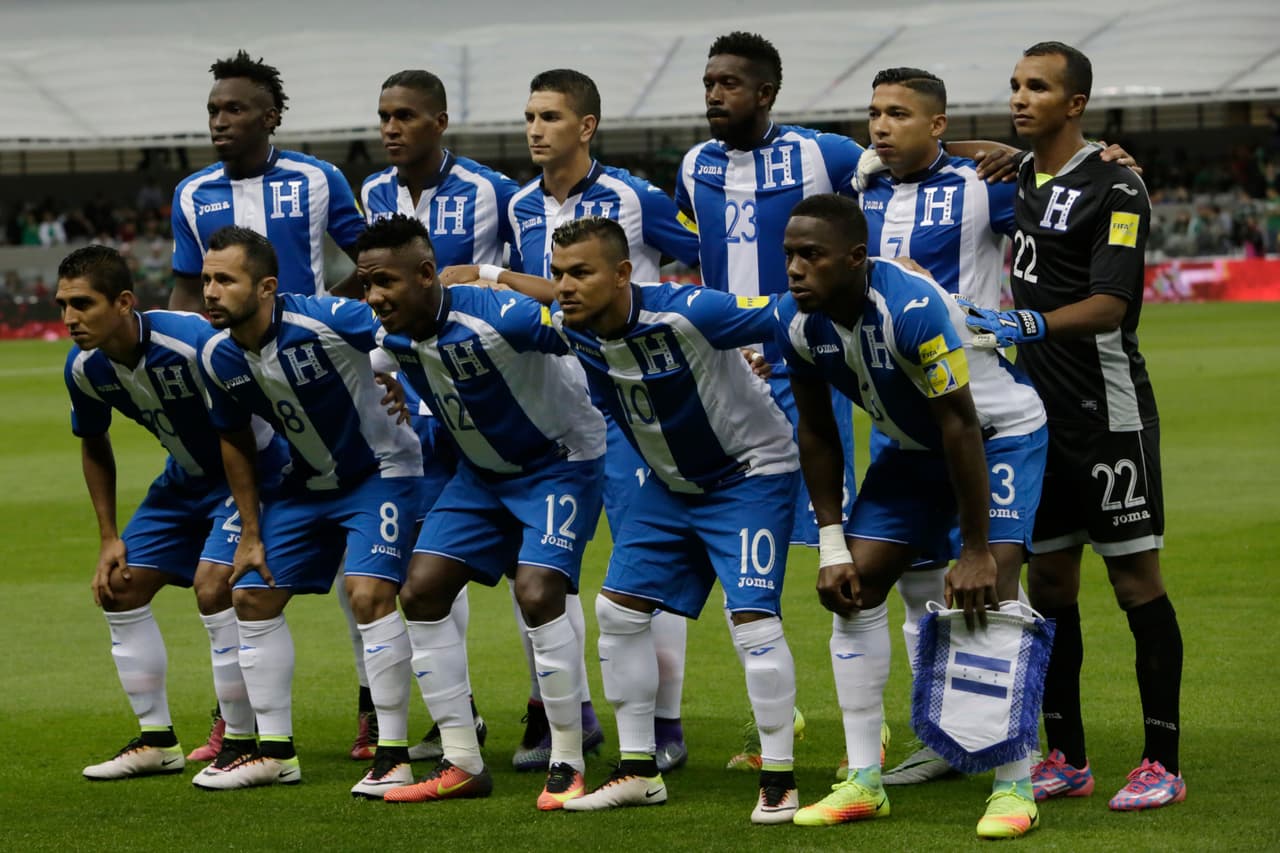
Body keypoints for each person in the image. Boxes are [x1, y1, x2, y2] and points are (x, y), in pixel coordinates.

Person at [775, 193, 1048, 839]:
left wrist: (976, 547)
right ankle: (863, 780)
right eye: (789, 254)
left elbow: (961, 424)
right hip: (912, 447)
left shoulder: (912, 308)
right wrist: (833, 542)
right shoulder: (797, 322)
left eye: (811, 255)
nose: (794, 268)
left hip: (996, 433)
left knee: (993, 588)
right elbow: (815, 432)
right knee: (854, 588)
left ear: (855, 258)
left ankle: (1015, 783)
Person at [961, 41, 1184, 812]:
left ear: (1076, 103)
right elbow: (929, 138)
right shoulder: (1019, 173)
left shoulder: (1117, 185)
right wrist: (962, 142)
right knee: (1052, 583)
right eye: (1016, 85)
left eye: (1039, 88)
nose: (1021, 98)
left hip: (1106, 415)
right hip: (1033, 419)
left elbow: (1110, 307)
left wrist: (1020, 321)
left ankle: (1163, 758)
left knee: (1134, 581)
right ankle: (1069, 754)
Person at [467, 68, 702, 774]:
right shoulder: (516, 205)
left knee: (645, 562)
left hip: (633, 406)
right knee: (538, 568)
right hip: (551, 406)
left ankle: (664, 722)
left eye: (550, 117)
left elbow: (702, 257)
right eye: (529, 115)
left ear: (587, 126)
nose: (535, 129)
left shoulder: (635, 197)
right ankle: (564, 713)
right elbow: (534, 310)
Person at [544, 217, 801, 825]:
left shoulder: (691, 312)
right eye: (558, 274)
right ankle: (638, 770)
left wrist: (885, 275)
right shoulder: (573, 328)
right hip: (671, 485)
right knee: (618, 609)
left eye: (581, 273)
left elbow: (786, 310)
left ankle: (781, 779)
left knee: (753, 620)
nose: (564, 287)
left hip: (751, 474)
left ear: (624, 274)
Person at [354, 214, 605, 809]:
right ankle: (463, 761)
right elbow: (380, 360)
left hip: (558, 462)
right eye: (366, 284)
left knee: (539, 591)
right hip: (481, 475)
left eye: (385, 282)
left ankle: (567, 756)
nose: (374, 297)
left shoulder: (502, 316)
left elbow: (583, 324)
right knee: (421, 590)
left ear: (424, 274)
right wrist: (387, 383)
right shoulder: (391, 331)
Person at [194, 226, 422, 797]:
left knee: (368, 595)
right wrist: (249, 532)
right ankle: (274, 753)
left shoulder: (325, 318)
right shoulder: (220, 356)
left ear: (267, 287)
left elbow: (406, 330)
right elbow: (235, 442)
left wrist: (399, 378)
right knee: (248, 592)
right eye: (206, 279)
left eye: (225, 280)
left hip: (381, 473)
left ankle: (392, 753)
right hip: (304, 486)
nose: (211, 292)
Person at [56, 245, 282, 781]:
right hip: (183, 481)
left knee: (213, 586)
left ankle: (241, 739)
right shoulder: (85, 368)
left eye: (82, 304)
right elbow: (93, 443)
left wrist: (250, 521)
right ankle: (157, 742)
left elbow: (254, 406)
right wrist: (109, 537)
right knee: (120, 584)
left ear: (124, 302)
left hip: (255, 470)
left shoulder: (192, 342)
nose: (68, 319)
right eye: (62, 306)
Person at [359, 67, 521, 763]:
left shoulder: (492, 191)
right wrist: (380, 365)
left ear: (439, 122)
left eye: (404, 115)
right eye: (383, 116)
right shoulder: (371, 192)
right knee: (429, 562)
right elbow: (370, 280)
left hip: (490, 401)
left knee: (529, 569)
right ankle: (459, 715)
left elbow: (524, 280)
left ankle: (557, 712)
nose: (390, 128)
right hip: (414, 410)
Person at [168, 50, 365, 312]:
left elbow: (374, 264)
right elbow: (187, 292)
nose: (219, 123)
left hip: (307, 346)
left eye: (234, 110)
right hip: (229, 349)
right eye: (213, 112)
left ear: (269, 117)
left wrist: (327, 308)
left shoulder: (320, 178)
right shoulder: (190, 194)